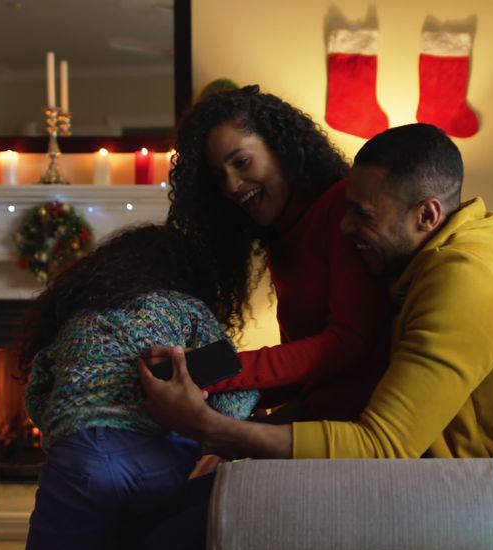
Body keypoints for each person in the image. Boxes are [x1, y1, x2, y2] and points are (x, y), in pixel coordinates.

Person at [137, 123, 493, 550]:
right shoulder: (421, 267)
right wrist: (245, 435)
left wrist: (209, 426)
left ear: (427, 216)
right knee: (169, 505)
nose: (344, 225)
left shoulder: (464, 284)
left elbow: (381, 447)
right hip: (427, 477)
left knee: (175, 541)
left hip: (473, 502)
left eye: (363, 214)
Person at [18, 224, 260, 550]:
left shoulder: (80, 316)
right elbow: (236, 386)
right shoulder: (186, 309)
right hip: (159, 459)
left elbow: (38, 393)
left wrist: (68, 423)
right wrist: (215, 434)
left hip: (79, 457)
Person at [165, 84, 391, 422]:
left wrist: (209, 369)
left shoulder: (340, 210)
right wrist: (197, 382)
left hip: (361, 430)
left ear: (282, 148)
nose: (232, 185)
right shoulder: (281, 234)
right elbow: (304, 370)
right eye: (218, 176)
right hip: (319, 415)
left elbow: (346, 342)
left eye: (241, 162)